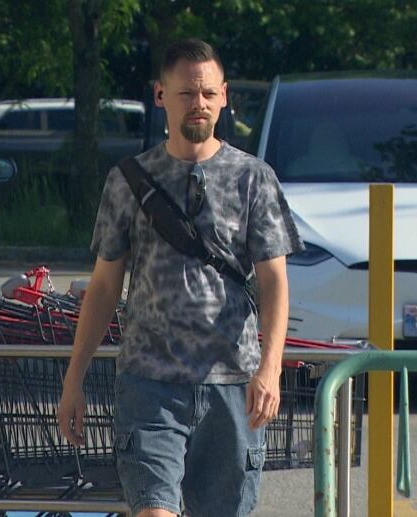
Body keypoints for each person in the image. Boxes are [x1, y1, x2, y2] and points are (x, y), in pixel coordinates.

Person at [57, 38, 304, 517]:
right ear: (160, 96)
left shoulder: (254, 179)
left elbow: (274, 281)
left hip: (233, 384)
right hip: (150, 384)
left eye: (209, 94)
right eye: (187, 94)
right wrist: (75, 378)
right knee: (153, 511)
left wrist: (270, 368)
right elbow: (105, 286)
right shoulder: (128, 180)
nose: (199, 105)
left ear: (225, 95)